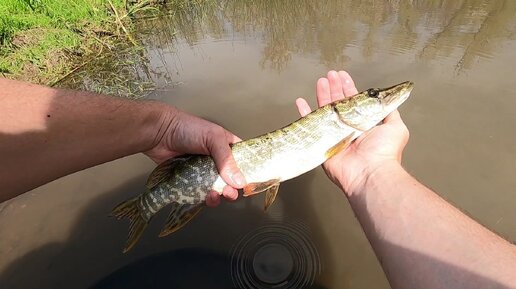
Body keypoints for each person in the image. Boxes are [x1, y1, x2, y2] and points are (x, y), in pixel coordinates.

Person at [1, 71, 515, 288]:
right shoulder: (338, 123)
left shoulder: (340, 128)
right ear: (354, 106)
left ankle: (156, 205)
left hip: (282, 158)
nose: (384, 98)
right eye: (376, 96)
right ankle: (152, 206)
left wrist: (373, 170)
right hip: (233, 165)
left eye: (375, 97)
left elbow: (336, 147)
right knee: (199, 187)